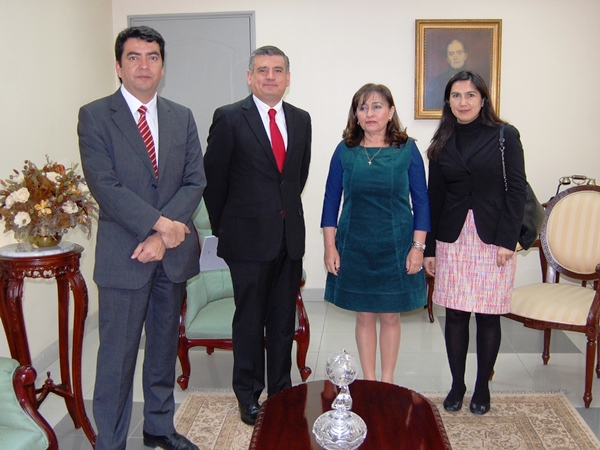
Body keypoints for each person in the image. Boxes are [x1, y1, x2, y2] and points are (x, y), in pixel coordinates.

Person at [78, 26, 205, 450]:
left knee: (163, 349)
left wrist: (164, 238)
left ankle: (159, 427)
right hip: (124, 256)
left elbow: (194, 181)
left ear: (162, 66)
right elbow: (105, 186)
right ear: (118, 66)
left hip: (169, 257)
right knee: (116, 358)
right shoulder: (95, 116)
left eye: (152, 57)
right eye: (133, 57)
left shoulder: (180, 116)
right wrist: (162, 227)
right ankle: (110, 442)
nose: (144, 65)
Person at [203, 45, 311, 426]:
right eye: (262, 70)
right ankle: (247, 395)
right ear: (250, 77)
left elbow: (296, 178)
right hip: (246, 241)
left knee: (282, 320)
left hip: (288, 238)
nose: (270, 76)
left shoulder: (301, 119)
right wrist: (226, 231)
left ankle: (280, 390)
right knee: (249, 319)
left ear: (287, 78)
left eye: (277, 70)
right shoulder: (230, 118)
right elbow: (213, 182)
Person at [424, 71, 527, 415]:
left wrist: (508, 240)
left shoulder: (504, 136)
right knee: (454, 315)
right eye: (456, 96)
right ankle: (458, 384)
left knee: (487, 316)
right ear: (448, 101)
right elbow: (433, 197)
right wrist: (429, 249)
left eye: (470, 95)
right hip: (452, 237)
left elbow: (516, 190)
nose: (463, 102)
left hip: (493, 238)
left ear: (483, 99)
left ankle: (482, 385)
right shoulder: (441, 139)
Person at [321, 83, 430, 383]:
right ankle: (369, 382)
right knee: (364, 315)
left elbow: (421, 202)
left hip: (396, 245)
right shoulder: (345, 151)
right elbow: (331, 201)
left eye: (377, 106)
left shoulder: (407, 150)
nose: (370, 113)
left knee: (391, 315)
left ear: (391, 111)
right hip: (354, 245)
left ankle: (387, 381)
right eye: (363, 107)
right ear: (355, 114)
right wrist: (330, 247)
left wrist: (417, 248)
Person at [425, 39, 468, 110]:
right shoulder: (436, 83)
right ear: (447, 59)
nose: (455, 57)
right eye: (451, 54)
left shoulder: (476, 81)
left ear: (465, 56)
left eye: (459, 53)